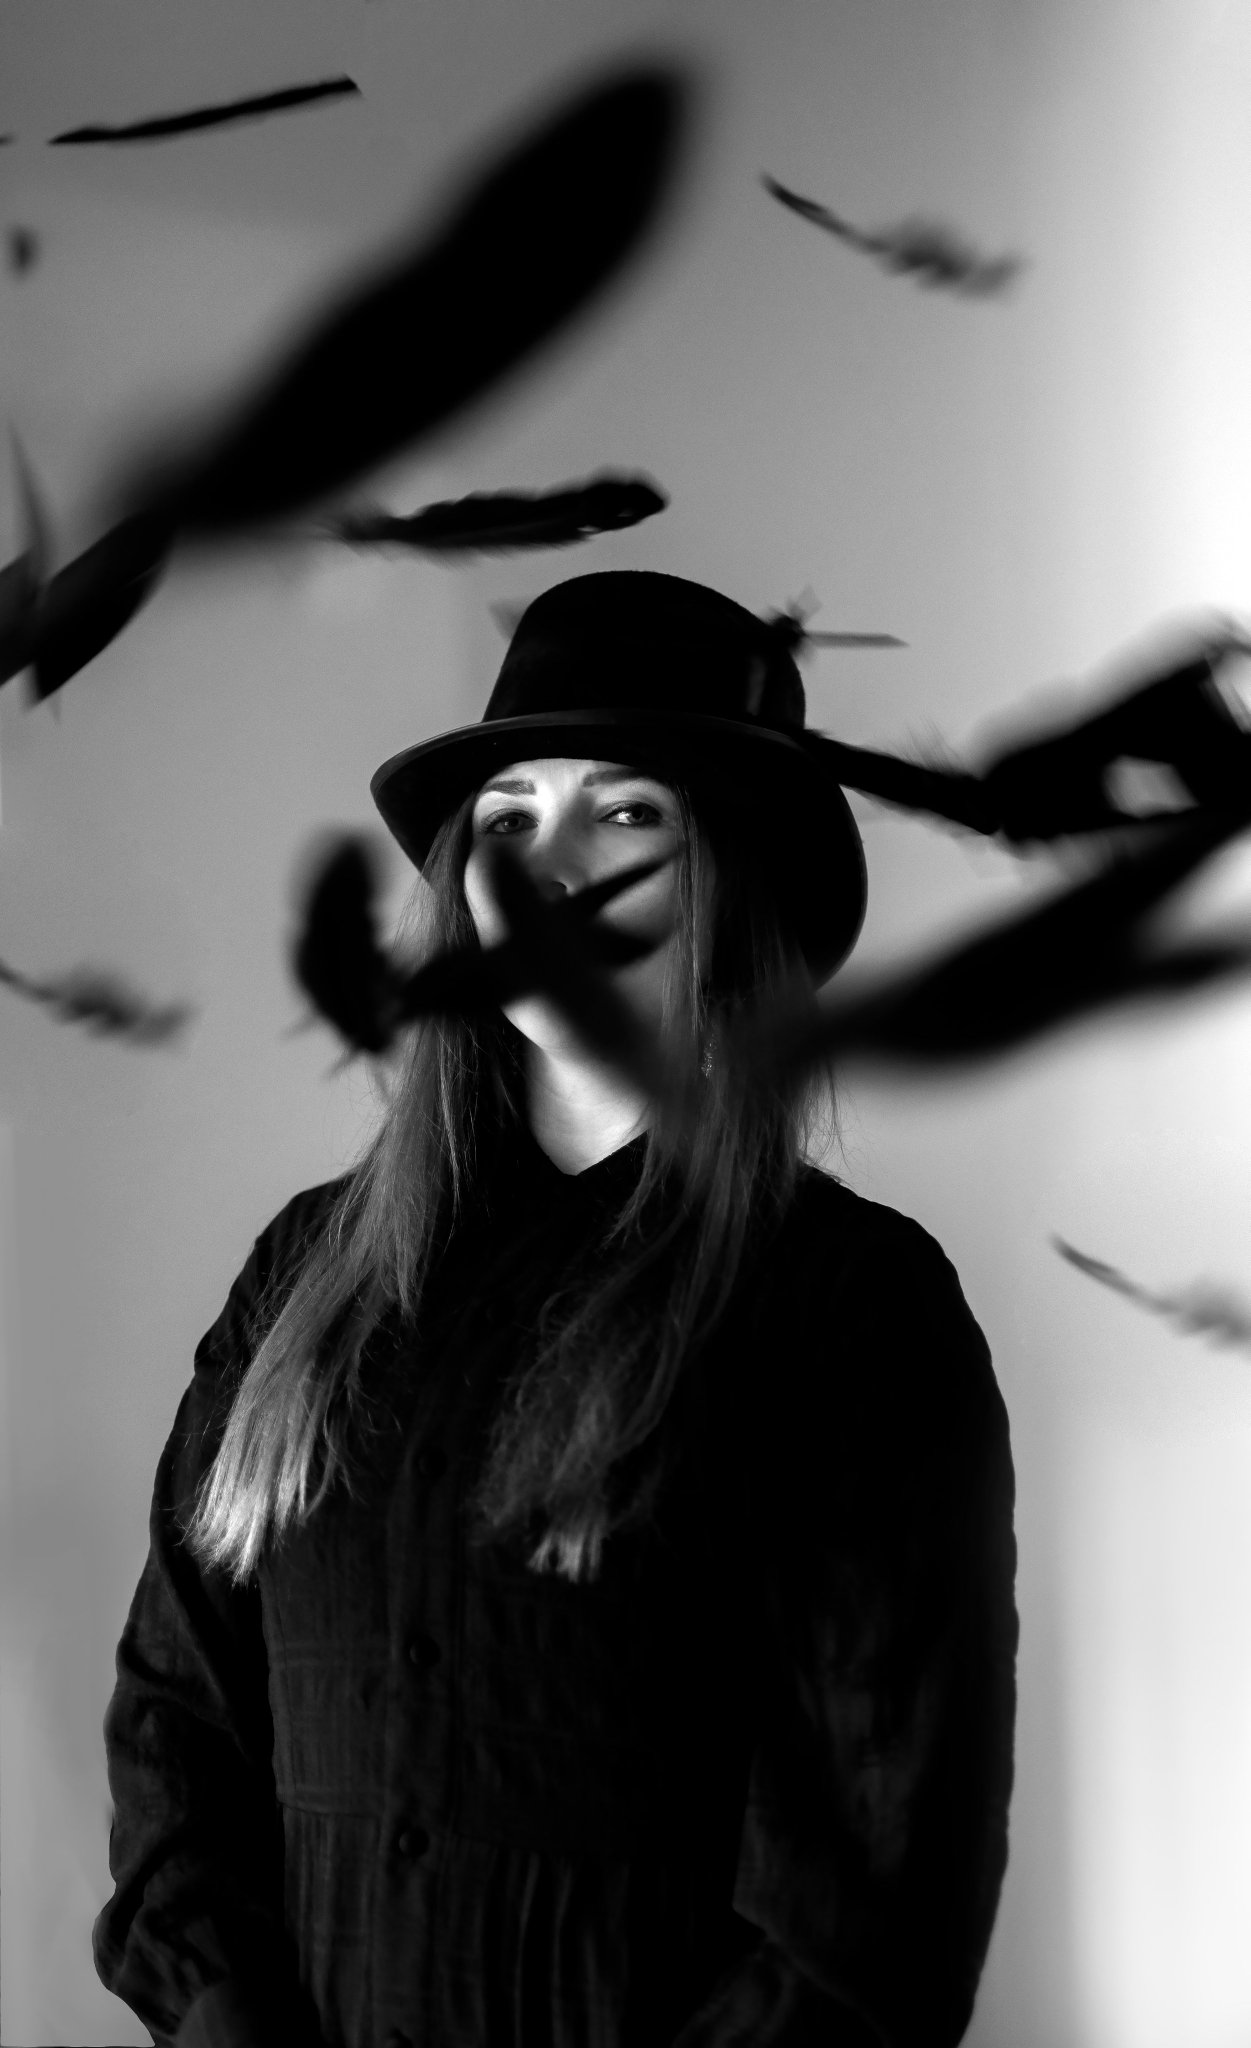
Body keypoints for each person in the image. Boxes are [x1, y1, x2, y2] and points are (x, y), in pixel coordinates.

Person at [93, 571, 1018, 2048]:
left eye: (628, 812)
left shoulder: (854, 1307)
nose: (551, 866)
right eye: (510, 819)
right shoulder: (306, 1274)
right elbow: (176, 1725)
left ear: (734, 881)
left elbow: (871, 1902)